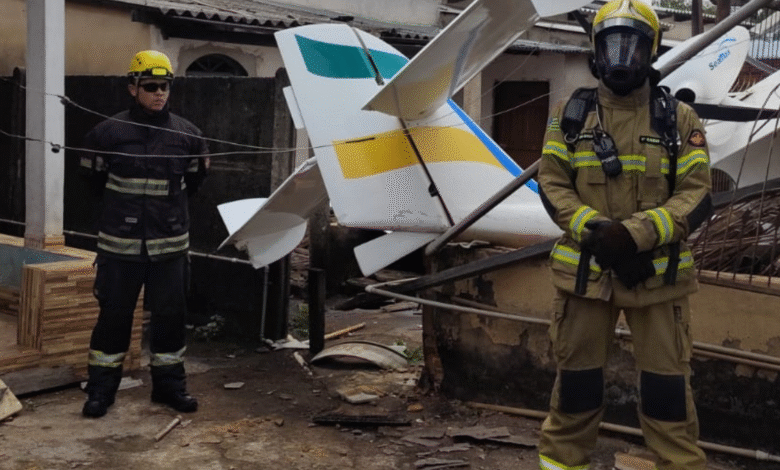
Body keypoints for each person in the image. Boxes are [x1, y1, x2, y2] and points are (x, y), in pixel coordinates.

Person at [536, 1, 713, 468]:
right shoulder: (569, 115)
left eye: (631, 46)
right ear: (595, 49)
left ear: (650, 50)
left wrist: (633, 237)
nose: (620, 57)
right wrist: (597, 234)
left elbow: (697, 195)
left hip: (657, 281)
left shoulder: (679, 119)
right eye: (610, 44)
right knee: (574, 392)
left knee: (668, 398)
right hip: (584, 279)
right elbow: (552, 185)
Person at [79, 50, 209, 418]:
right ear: (132, 87)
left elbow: (196, 182)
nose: (159, 94)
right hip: (120, 249)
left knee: (169, 321)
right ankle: (101, 391)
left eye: (164, 86)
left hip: (169, 248)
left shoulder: (189, 137)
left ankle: (169, 389)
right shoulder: (107, 134)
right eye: (150, 86)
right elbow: (91, 182)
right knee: (113, 319)